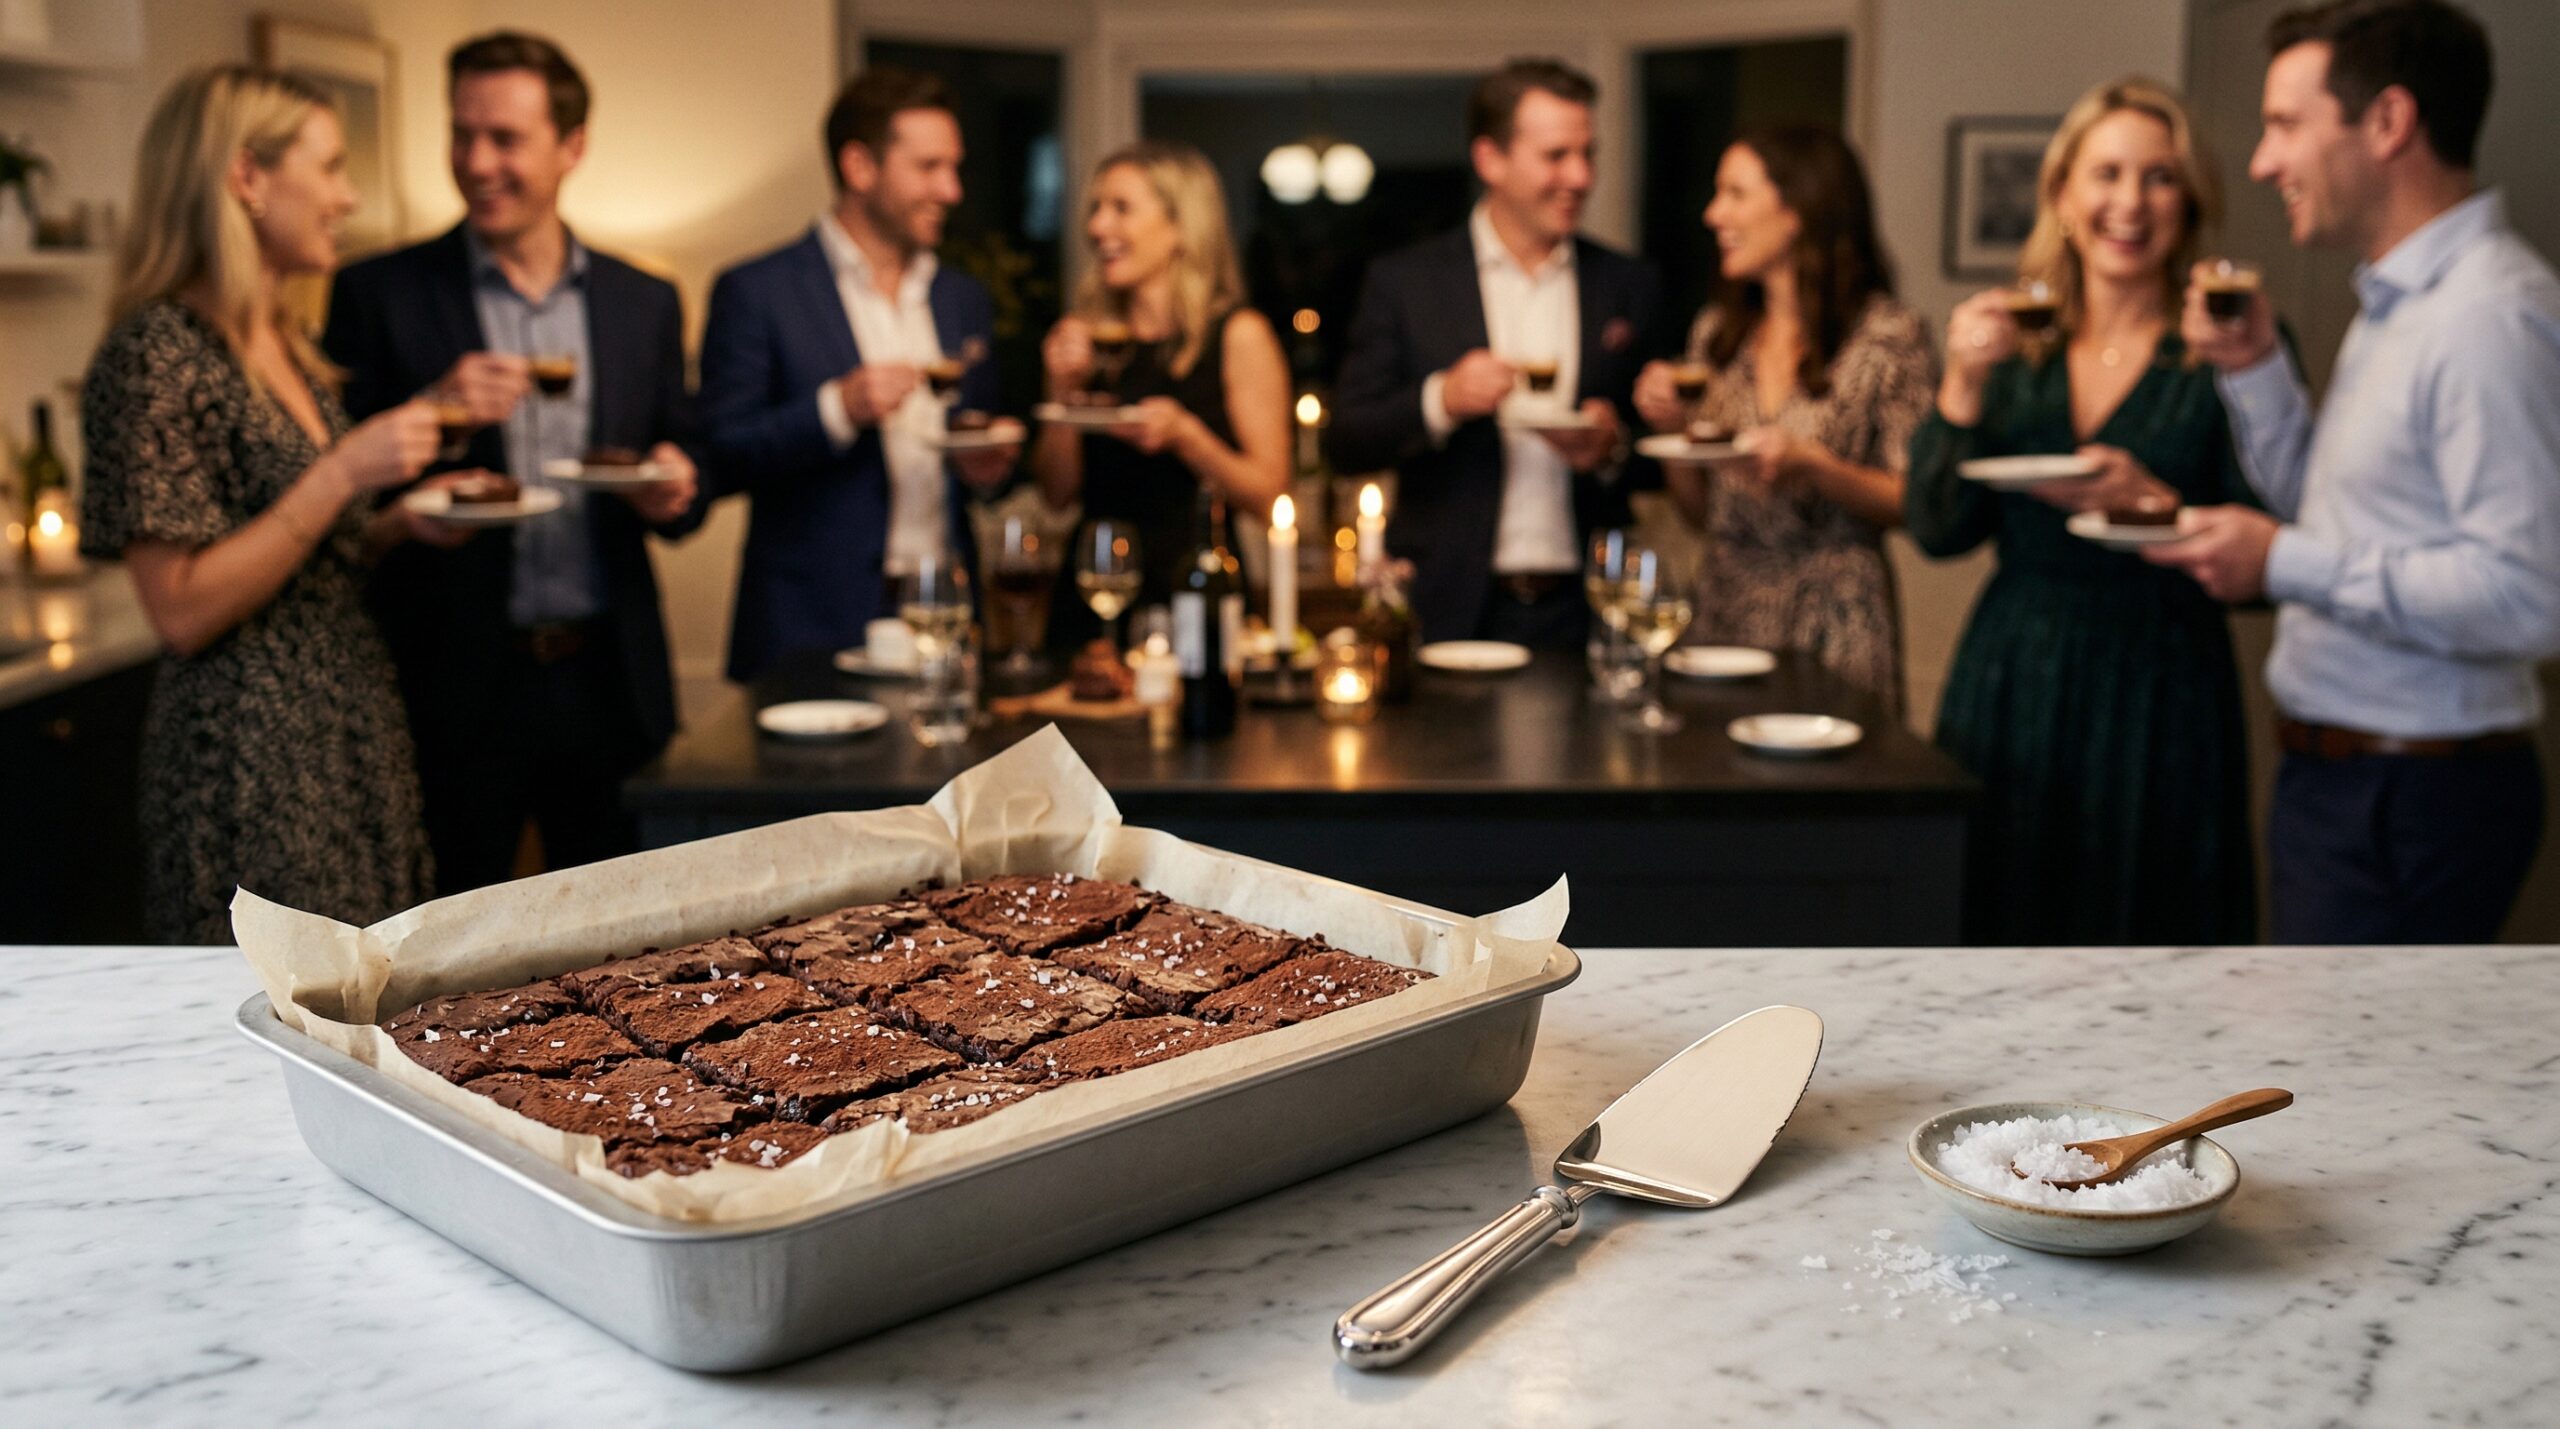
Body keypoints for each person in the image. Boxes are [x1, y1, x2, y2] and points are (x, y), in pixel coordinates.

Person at [2153, 0, 2560, 944]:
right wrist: (2255, 370)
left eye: (2286, 124)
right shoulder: (2398, 305)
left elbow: (2529, 595)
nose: (2262, 161)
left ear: (2387, 123)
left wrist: (2281, 563)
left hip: (2412, 798)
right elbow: (2343, 520)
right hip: (2349, 783)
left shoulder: (2487, 315)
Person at [79, 67, 457, 942]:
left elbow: (307, 553)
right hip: (248, 756)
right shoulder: (155, 354)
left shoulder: (286, 343)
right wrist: (341, 474)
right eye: (328, 168)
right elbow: (179, 609)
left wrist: (399, 520)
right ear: (247, 177)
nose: (347, 197)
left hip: (345, 728)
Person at [325, 32, 706, 895]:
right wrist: (439, 409)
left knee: (627, 944)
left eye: (505, 139)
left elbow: (685, 460)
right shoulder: (379, 294)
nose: (477, 162)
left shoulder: (642, 300)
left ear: (572, 146)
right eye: (462, 135)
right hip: (453, 683)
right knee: (446, 952)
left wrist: (677, 487)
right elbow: (333, 495)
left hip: (609, 676)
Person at [1905, 78, 2260, 946]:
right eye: (2106, 174)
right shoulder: (2016, 350)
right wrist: (1959, 384)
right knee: (2001, 917)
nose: (2130, 202)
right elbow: (1939, 527)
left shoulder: (2226, 344)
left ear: (2191, 199)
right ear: (2063, 194)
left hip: (2163, 681)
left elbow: (2270, 545)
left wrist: (2162, 506)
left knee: (2152, 923)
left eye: (2159, 177)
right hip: (2017, 671)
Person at [1325, 58, 1667, 649]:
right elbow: (1347, 440)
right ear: (1491, 160)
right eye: (1556, 156)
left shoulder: (1625, 284)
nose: (1581, 176)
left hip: (1589, 607)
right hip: (1450, 602)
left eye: (1589, 154)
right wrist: (1442, 399)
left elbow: (1658, 457)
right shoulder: (1408, 282)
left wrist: (1612, 447)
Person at [699, 66, 1018, 682]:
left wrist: (987, 468)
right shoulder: (758, 291)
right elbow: (722, 450)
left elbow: (978, 460)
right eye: (928, 168)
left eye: (954, 168)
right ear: (859, 167)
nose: (951, 190)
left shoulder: (960, 300)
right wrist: (835, 409)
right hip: (809, 625)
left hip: (943, 613)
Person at [1630, 126, 1934, 711]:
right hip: (1724, 607)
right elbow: (1700, 514)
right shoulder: (1716, 335)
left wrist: (1817, 469)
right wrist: (1672, 430)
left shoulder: (1888, 337)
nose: (1713, 214)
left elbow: (1917, 501)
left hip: (1837, 615)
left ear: (1798, 208)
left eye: (1735, 193)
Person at [1028, 141, 1291, 621]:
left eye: (1121, 208)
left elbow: (1272, 498)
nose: (1097, 227)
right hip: (1093, 591)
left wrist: (1187, 438)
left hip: (1196, 590)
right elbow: (1057, 494)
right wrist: (1064, 393)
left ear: (1179, 228)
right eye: (1096, 209)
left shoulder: (1238, 336)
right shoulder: (1087, 337)